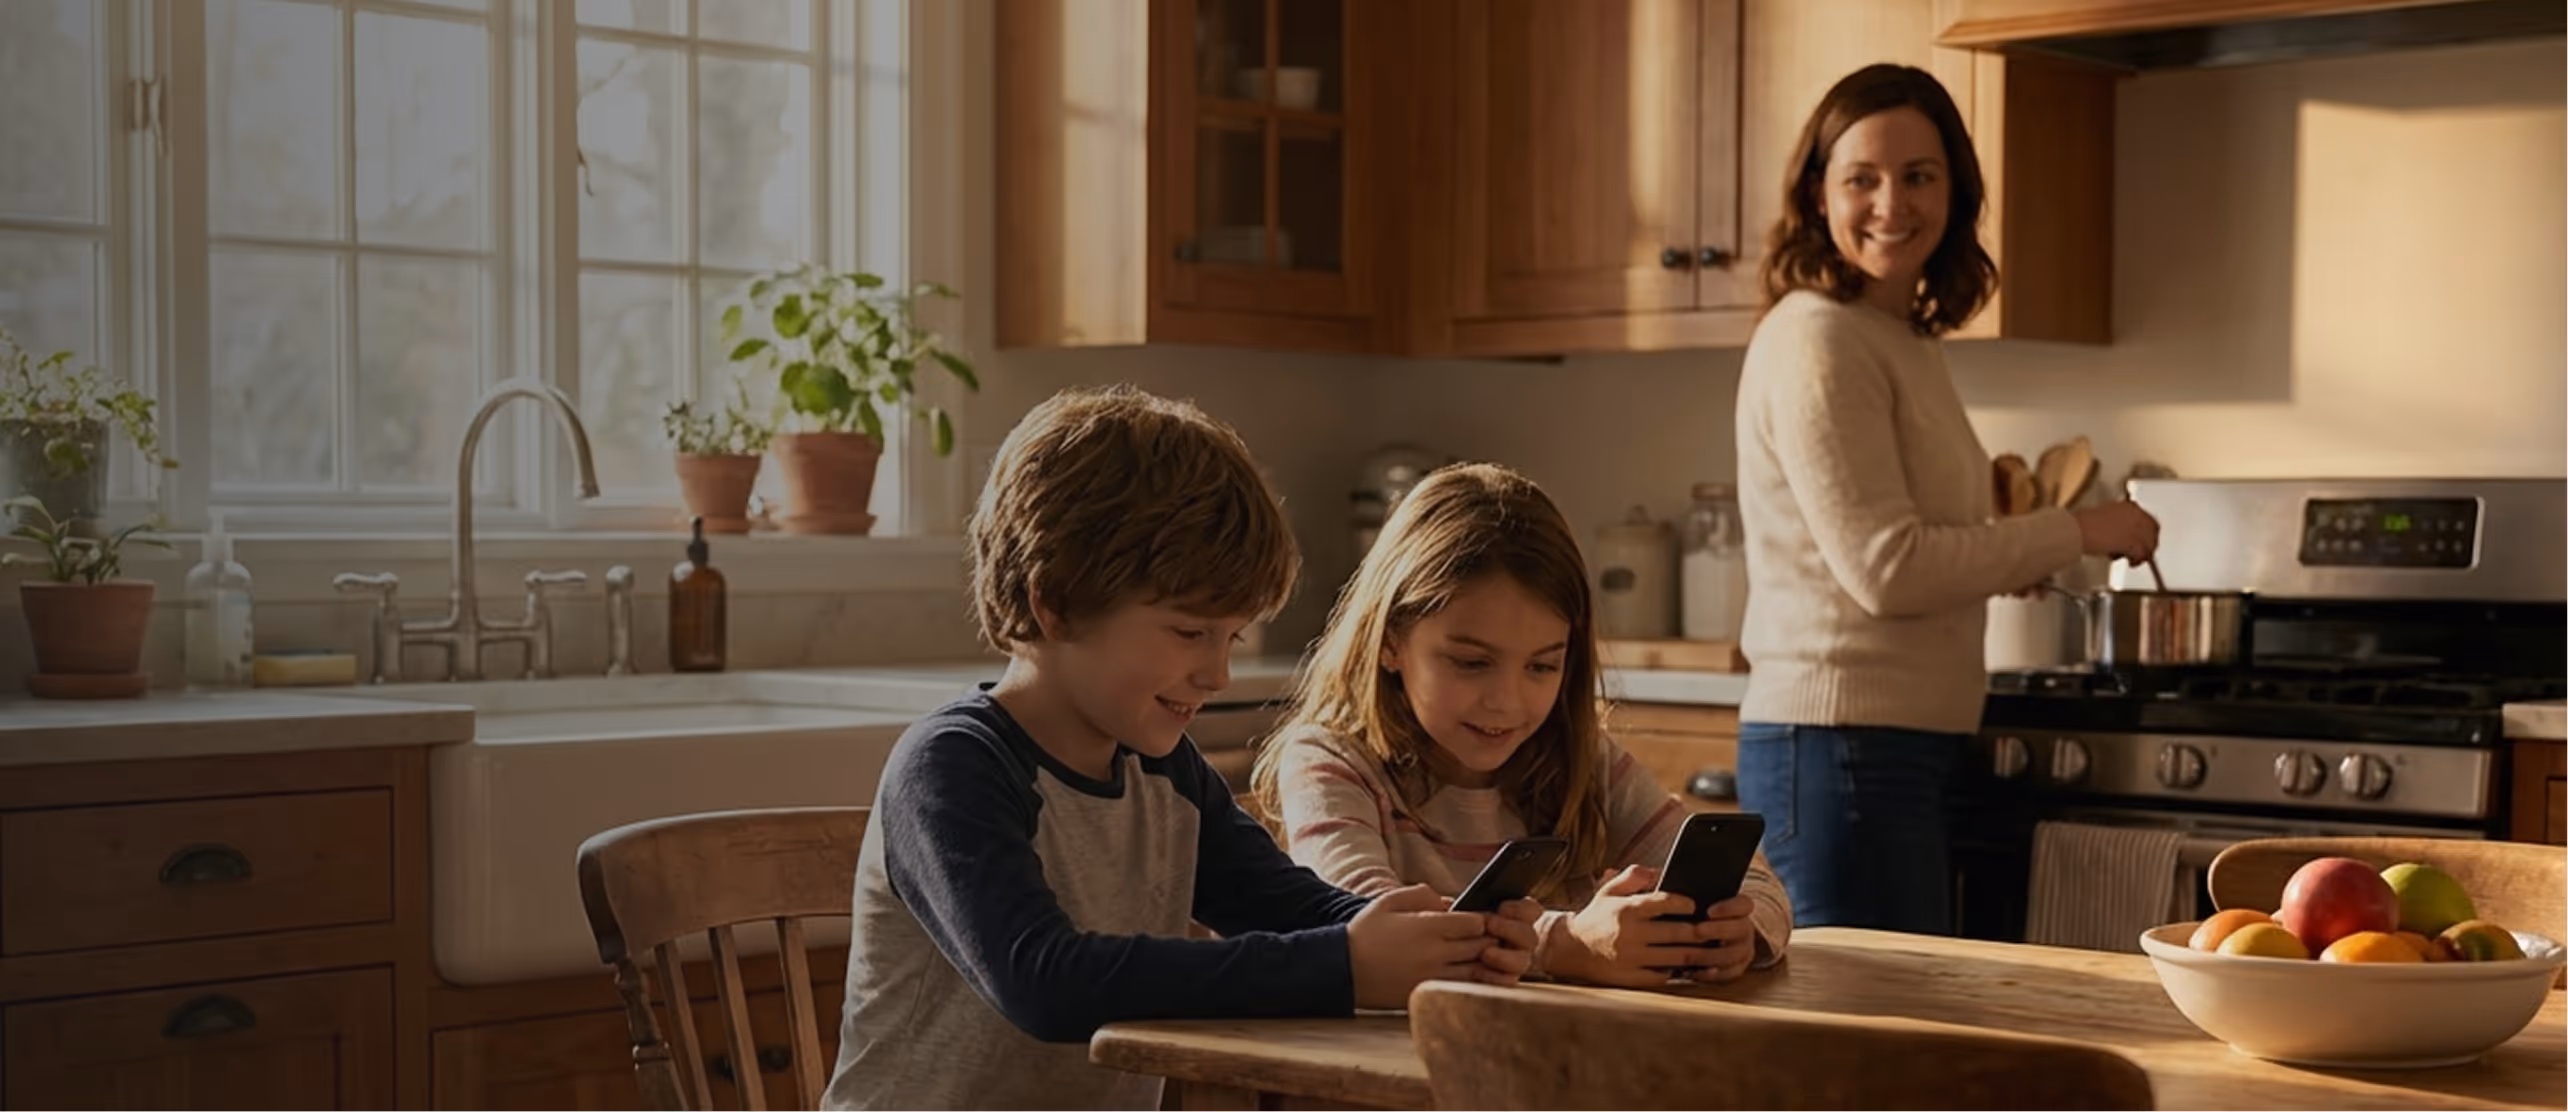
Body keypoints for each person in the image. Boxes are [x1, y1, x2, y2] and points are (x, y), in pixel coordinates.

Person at [822, 385, 1539, 1111]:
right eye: (1190, 633)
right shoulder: (954, 766)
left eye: (1231, 637)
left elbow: (1277, 902)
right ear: (1057, 601)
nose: (1218, 673)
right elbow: (1044, 982)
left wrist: (1428, 936)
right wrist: (1345, 965)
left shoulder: (1162, 766)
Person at [1733, 63, 2161, 935]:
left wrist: (2002, 558)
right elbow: (1887, 572)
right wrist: (2076, 529)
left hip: (1887, 743)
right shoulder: (1820, 338)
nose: (1892, 203)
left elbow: (1910, 547)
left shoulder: (1895, 338)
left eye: (1919, 176)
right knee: (1868, 1046)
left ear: (1955, 192)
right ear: (1820, 195)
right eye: (1863, 179)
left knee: (1894, 1040)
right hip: (1840, 743)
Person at [1255, 462, 1792, 989]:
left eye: (1542, 665)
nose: (1506, 703)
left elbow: (1762, 888)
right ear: (1392, 640)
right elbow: (1375, 929)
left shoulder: (1583, 761)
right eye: (1471, 662)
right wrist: (1565, 944)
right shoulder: (1329, 763)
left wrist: (1736, 930)